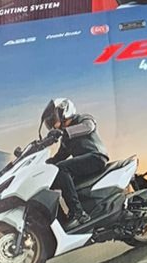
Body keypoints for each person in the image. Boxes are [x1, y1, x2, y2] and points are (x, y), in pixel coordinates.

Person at [41, 98, 108, 228]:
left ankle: (78, 213)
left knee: (61, 169)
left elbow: (88, 127)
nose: (53, 124)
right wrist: (42, 165)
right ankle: (61, 221)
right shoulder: (65, 139)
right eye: (50, 122)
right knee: (51, 178)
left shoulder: (83, 119)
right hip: (83, 164)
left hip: (96, 157)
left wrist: (64, 132)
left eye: (53, 119)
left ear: (63, 111)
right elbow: (59, 157)